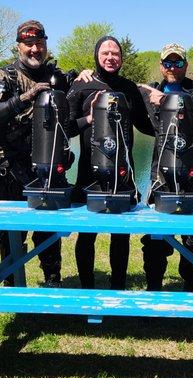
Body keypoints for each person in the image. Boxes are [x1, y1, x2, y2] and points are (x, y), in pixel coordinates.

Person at [0, 20, 78, 287]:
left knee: (48, 227)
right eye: (29, 44)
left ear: (46, 44)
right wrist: (25, 97)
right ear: (19, 46)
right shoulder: (4, 76)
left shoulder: (57, 78)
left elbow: (66, 123)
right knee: (12, 230)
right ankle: (11, 282)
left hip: (46, 163)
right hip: (8, 165)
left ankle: (52, 282)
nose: (35, 49)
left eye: (40, 44)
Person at [67, 36, 155, 290]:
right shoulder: (82, 85)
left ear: (121, 59)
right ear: (96, 55)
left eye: (115, 53)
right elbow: (67, 128)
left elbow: (144, 125)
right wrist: (89, 118)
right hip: (89, 173)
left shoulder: (129, 88)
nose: (110, 57)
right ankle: (87, 287)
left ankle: (118, 286)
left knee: (121, 234)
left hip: (123, 174)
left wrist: (174, 124)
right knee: (87, 234)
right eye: (105, 52)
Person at [139, 43, 193, 292]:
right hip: (161, 174)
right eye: (168, 63)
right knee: (154, 236)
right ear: (161, 66)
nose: (173, 67)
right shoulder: (152, 90)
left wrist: (164, 101)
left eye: (178, 62)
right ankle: (154, 288)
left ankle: (191, 286)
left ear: (186, 65)